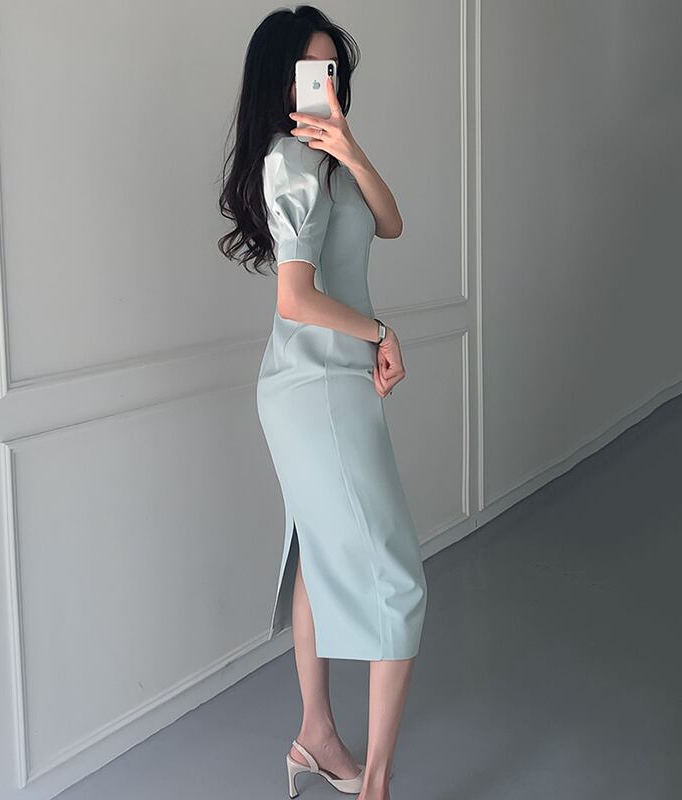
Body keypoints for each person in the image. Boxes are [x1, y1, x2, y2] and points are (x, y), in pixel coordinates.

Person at [217, 8, 427, 799]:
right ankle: (375, 788)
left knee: (316, 553)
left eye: (333, 70)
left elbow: (391, 222)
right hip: (318, 387)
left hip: (328, 383)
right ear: (280, 81)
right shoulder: (289, 163)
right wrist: (381, 331)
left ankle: (316, 736)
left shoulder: (327, 159)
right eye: (312, 71)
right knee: (397, 581)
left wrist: (349, 144)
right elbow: (296, 298)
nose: (326, 83)